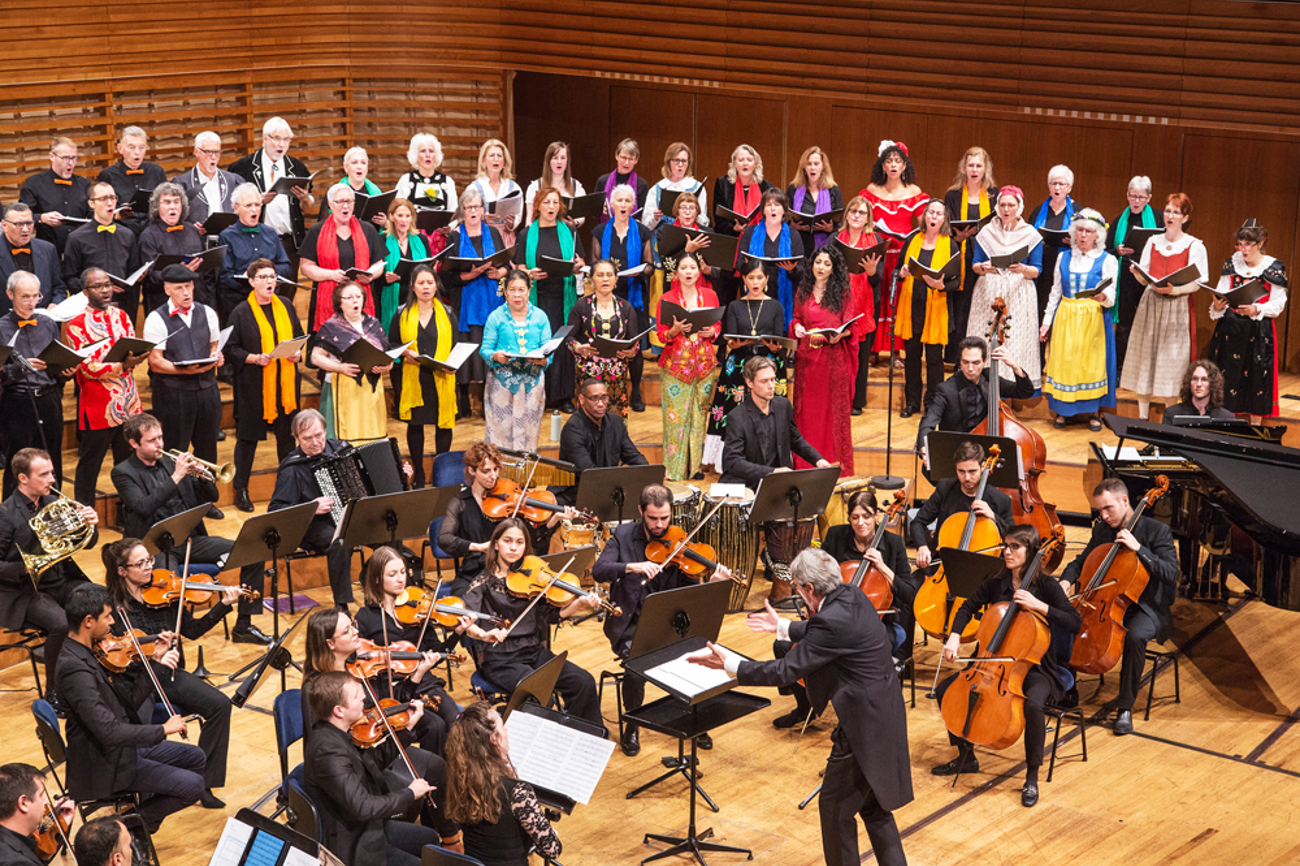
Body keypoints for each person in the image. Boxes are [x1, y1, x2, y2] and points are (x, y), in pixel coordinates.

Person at [688, 547, 912, 866]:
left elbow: (785, 670)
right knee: (875, 810)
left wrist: (732, 665)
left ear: (808, 588)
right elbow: (826, 629)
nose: (797, 592)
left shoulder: (831, 620)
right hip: (886, 715)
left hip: (862, 731)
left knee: (834, 812)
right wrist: (783, 626)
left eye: (796, 587)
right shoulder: (852, 593)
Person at [930, 524, 1081, 808]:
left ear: (1032, 551)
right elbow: (966, 608)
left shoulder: (1046, 586)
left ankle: (1031, 776)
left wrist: (1039, 605)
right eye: (1005, 546)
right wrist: (953, 637)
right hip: (990, 661)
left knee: (1033, 705)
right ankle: (966, 755)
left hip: (1035, 666)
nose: (1007, 552)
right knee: (945, 691)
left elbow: (1074, 622)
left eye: (1015, 547)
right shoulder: (995, 580)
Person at [593, 484, 732, 755]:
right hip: (632, 623)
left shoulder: (680, 540)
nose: (659, 526)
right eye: (653, 518)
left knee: (700, 656)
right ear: (641, 512)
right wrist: (631, 566)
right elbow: (600, 570)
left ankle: (696, 720)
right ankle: (633, 725)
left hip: (671, 620)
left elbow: (691, 590)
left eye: (665, 518)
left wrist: (710, 581)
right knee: (635, 669)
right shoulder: (622, 535)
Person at [55, 584, 205, 834]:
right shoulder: (75, 669)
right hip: (104, 764)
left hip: (120, 749)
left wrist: (155, 661)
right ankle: (117, 830)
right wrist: (162, 729)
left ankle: (140, 827)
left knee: (196, 757)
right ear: (88, 621)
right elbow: (109, 732)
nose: (113, 622)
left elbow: (130, 702)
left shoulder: (90, 651)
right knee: (193, 786)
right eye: (108, 616)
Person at [102, 538, 238, 807]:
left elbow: (193, 630)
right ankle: (146, 788)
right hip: (135, 681)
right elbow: (116, 655)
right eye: (140, 564)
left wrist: (223, 604)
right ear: (122, 570)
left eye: (149, 560)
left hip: (169, 674)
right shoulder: (112, 606)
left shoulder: (166, 593)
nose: (148, 568)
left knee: (220, 705)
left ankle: (205, 784)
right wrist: (154, 656)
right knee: (138, 730)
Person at [111, 412, 269, 643]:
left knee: (253, 551)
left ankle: (243, 625)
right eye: (152, 440)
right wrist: (176, 477)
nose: (160, 445)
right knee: (167, 585)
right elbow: (143, 506)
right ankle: (171, 639)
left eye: (160, 438)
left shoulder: (171, 461)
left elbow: (211, 498)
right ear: (134, 443)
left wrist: (204, 477)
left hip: (190, 540)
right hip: (154, 548)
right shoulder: (123, 472)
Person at [1060, 478, 1178, 735]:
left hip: (1147, 607)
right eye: (1099, 510)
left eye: (1108, 509)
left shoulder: (1156, 531)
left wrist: (1139, 549)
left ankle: (1125, 707)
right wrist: (1066, 580)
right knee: (1067, 620)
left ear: (1125, 502)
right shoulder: (1102, 530)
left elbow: (1171, 573)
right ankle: (1067, 689)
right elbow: (1082, 561)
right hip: (1108, 602)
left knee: (1135, 637)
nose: (1103, 516)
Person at [461, 518, 604, 729]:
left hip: (534, 653)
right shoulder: (482, 581)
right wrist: (483, 634)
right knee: (542, 696)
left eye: (519, 542)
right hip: (500, 660)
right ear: (496, 544)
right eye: (507, 541)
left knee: (583, 681)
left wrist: (580, 603)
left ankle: (586, 739)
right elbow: (467, 623)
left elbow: (556, 615)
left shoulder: (534, 577)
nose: (513, 547)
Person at [302, 671, 448, 866]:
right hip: (355, 843)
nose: (364, 697)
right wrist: (409, 793)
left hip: (369, 827)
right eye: (356, 695)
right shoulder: (327, 752)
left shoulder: (342, 731)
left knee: (429, 838)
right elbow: (364, 808)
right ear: (339, 710)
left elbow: (372, 764)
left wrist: (407, 729)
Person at [720, 356, 830, 597]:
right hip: (748, 483)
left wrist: (818, 459)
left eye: (773, 380)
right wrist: (771, 472)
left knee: (803, 504)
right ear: (749, 382)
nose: (771, 385)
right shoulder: (737, 416)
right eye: (764, 381)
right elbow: (732, 461)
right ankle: (762, 559)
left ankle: (782, 569)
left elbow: (796, 439)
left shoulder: (782, 405)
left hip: (777, 483)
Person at [0, 448, 97, 699]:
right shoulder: (5, 514)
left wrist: (90, 525)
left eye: (52, 472)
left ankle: (95, 673)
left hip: (61, 580)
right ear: (23, 478)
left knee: (103, 600)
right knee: (61, 623)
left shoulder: (54, 504)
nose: (52, 479)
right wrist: (24, 568)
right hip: (26, 591)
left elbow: (86, 542)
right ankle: (54, 690)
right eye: (44, 474)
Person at [352, 547, 460, 751]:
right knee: (434, 726)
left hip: (425, 684)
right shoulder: (366, 617)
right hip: (394, 690)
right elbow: (362, 662)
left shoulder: (418, 611)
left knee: (455, 720)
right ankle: (431, 776)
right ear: (376, 579)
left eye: (403, 572)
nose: (400, 579)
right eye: (392, 574)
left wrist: (458, 633)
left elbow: (437, 650)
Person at [808, 491, 912, 687]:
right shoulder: (836, 536)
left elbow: (909, 594)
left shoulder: (893, 544)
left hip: (878, 626)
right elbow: (820, 578)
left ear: (876, 516)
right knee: (799, 651)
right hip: (837, 621)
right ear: (848, 518)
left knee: (855, 660)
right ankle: (806, 707)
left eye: (866, 517)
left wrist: (883, 567)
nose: (860, 523)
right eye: (854, 517)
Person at [225, 257, 304, 511]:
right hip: (253, 386)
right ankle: (242, 490)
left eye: (272, 277)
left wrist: (297, 353)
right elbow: (231, 348)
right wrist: (253, 358)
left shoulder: (287, 305)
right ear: (251, 282)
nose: (270, 281)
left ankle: (289, 488)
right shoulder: (240, 312)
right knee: (247, 440)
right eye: (263, 278)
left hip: (286, 386)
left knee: (286, 439)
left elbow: (299, 336)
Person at [1120, 192, 1207, 420]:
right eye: (1168, 210)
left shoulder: (1194, 245)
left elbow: (1198, 283)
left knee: (1172, 361)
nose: (1170, 215)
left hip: (1176, 306)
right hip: (1151, 303)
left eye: (1176, 212)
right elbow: (1145, 277)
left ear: (1185, 217)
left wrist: (1175, 289)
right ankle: (1142, 417)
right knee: (1145, 357)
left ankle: (1170, 418)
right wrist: (1138, 274)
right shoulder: (1153, 241)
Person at [65, 268, 146, 508]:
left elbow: (132, 348)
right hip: (99, 406)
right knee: (90, 464)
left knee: (129, 463)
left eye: (108, 284)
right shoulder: (76, 326)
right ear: (85, 292)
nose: (105, 290)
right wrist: (123, 365)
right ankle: (84, 515)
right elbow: (87, 368)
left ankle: (129, 511)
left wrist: (136, 358)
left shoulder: (123, 316)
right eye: (98, 286)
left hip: (129, 402)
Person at [446, 701, 562, 866]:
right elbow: (552, 850)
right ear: (494, 738)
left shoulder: (459, 778)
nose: (506, 730)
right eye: (502, 726)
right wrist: (549, 834)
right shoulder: (517, 792)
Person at [703, 257, 791, 472]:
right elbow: (730, 339)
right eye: (751, 277)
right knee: (735, 408)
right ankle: (732, 461)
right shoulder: (735, 305)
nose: (755, 282)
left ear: (767, 279)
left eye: (760, 277)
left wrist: (775, 347)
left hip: (768, 362)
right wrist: (734, 343)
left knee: (771, 410)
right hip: (740, 364)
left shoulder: (775, 305)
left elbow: (778, 338)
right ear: (743, 279)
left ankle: (770, 461)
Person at [142, 263, 224, 486]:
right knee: (174, 450)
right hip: (174, 394)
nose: (186, 292)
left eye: (189, 286)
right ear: (167, 289)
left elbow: (214, 345)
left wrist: (217, 356)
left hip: (207, 390)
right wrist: (183, 370)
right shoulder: (156, 318)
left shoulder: (207, 313)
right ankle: (176, 500)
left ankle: (206, 498)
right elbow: (156, 361)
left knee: (207, 447)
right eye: (179, 288)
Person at [268, 408, 358, 609]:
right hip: (313, 526)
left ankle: (379, 584)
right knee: (340, 540)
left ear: (326, 431)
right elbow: (275, 510)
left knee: (389, 529)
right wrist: (311, 508)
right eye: (307, 438)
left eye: (318, 435)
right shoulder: (291, 469)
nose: (315, 442)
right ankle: (342, 607)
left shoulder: (341, 450)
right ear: (297, 438)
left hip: (349, 516)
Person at [1040, 209, 1119, 430]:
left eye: (1089, 231)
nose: (1083, 235)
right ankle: (1063, 411)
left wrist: (1102, 296)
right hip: (1066, 316)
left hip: (1093, 320)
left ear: (1097, 235)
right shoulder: (1063, 257)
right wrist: (1046, 322)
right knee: (1065, 362)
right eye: (1080, 230)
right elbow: (1055, 292)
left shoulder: (1107, 260)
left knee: (1090, 364)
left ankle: (1093, 411)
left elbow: (1111, 296)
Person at [0, 272, 76, 498]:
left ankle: (54, 512)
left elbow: (54, 362)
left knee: (52, 459)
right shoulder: (1, 327)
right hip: (18, 401)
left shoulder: (48, 323)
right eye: (25, 296)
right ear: (10, 294)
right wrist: (18, 369)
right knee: (18, 461)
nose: (32, 302)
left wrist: (66, 371)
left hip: (49, 398)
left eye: (36, 296)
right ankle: (12, 522)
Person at [1206, 219, 1288, 420]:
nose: (1243, 250)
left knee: (1257, 378)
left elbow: (1279, 304)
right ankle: (1223, 424)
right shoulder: (1231, 263)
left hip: (1258, 331)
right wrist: (1217, 306)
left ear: (1260, 243)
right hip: (1230, 329)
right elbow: (1222, 293)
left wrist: (1256, 308)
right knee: (1227, 375)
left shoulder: (1273, 267)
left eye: (1248, 245)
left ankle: (1255, 429)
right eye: (1240, 244)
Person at [389, 264, 459, 489]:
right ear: (413, 286)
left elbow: (457, 346)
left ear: (436, 284)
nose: (426, 287)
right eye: (421, 283)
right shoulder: (401, 313)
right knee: (415, 425)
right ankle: (418, 473)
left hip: (442, 378)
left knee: (443, 427)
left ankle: (442, 472)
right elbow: (391, 343)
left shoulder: (448, 313)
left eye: (430, 282)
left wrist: (453, 365)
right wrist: (404, 351)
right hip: (414, 378)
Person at [968, 185, 1044, 390]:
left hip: (1019, 292)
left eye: (1011, 205)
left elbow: (1037, 270)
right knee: (985, 336)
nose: (1006, 209)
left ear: (1019, 207)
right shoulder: (987, 231)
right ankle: (982, 387)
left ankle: (1011, 390)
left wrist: (1022, 268)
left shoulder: (1030, 234)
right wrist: (983, 267)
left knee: (1015, 340)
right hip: (989, 291)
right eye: (1002, 205)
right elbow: (975, 264)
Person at [228, 116, 316, 288]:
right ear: (264, 138)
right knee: (255, 288)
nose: (281, 145)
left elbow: (307, 208)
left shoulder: (296, 167)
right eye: (277, 139)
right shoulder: (243, 167)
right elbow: (232, 207)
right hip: (254, 240)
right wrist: (258, 201)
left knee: (287, 291)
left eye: (286, 139)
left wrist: (305, 198)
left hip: (288, 242)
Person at [791, 245, 856, 475]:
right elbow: (797, 318)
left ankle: (835, 467)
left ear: (833, 268)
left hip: (832, 360)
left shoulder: (843, 293)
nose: (821, 267)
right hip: (808, 361)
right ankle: (804, 466)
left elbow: (852, 326)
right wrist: (797, 327)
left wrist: (842, 334)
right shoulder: (803, 290)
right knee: (807, 415)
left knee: (831, 417)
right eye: (818, 262)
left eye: (827, 264)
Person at [914, 335, 1033, 462]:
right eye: (966, 362)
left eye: (975, 363)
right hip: (957, 453)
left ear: (984, 361)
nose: (970, 369)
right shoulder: (946, 389)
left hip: (987, 450)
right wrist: (924, 447)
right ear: (960, 362)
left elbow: (1025, 392)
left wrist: (1015, 366)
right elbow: (929, 420)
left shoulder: (990, 379)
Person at [656, 253, 721, 480]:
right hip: (676, 367)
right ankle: (674, 470)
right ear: (676, 273)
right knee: (675, 418)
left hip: (703, 365)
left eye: (692, 267)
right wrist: (674, 331)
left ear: (699, 271)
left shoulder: (711, 295)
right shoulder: (667, 298)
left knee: (699, 416)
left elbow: (718, 324)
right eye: (684, 268)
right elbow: (662, 335)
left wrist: (713, 332)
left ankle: (695, 468)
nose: (689, 272)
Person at [862, 140, 927, 362]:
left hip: (901, 256)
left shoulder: (914, 191)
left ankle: (895, 351)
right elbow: (863, 219)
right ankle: (871, 348)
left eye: (897, 161)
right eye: (888, 161)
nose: (892, 165)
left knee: (898, 302)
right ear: (882, 165)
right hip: (878, 255)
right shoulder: (871, 190)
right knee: (876, 300)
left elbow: (923, 225)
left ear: (904, 166)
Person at [520, 187, 585, 412]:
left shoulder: (569, 231)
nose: (551, 207)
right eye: (547, 202)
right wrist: (529, 274)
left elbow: (580, 261)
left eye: (555, 203)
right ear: (538, 206)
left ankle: (563, 397)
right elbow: (519, 268)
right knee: (541, 346)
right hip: (538, 299)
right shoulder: (527, 233)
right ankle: (540, 395)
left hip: (563, 299)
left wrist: (577, 266)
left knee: (562, 347)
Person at [444, 187, 507, 417]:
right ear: (462, 210)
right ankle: (463, 401)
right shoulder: (455, 235)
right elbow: (446, 275)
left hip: (492, 298)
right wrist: (467, 276)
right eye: (468, 207)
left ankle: (489, 400)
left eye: (477, 206)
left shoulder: (493, 233)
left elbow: (507, 264)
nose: (472, 210)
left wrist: (499, 272)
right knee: (467, 350)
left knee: (489, 349)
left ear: (483, 210)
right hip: (466, 300)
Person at [910, 439, 1016, 575]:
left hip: (982, 571)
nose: (966, 477)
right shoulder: (945, 488)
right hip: (943, 565)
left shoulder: (1000, 500)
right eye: (961, 471)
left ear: (983, 467)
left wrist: (994, 517)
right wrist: (922, 546)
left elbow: (1015, 538)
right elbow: (918, 522)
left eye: (972, 471)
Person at [895, 199, 960, 417]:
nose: (933, 217)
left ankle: (934, 404)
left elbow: (957, 280)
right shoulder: (913, 239)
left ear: (944, 219)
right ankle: (912, 402)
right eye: (930, 213)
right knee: (912, 357)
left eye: (938, 214)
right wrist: (902, 273)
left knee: (934, 360)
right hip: (912, 307)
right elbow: (897, 271)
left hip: (936, 309)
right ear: (924, 217)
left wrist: (942, 285)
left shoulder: (950, 244)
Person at [589, 184, 651, 411]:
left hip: (633, 296)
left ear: (632, 205)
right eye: (619, 201)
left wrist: (641, 270)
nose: (623, 205)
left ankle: (635, 392)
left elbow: (650, 266)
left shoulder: (643, 231)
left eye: (627, 201)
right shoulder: (599, 231)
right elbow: (594, 263)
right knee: (609, 344)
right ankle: (606, 390)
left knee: (633, 346)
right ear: (611, 204)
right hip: (607, 295)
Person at [311, 280, 392, 444]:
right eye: (349, 297)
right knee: (341, 442)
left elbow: (388, 358)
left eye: (358, 296)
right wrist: (340, 367)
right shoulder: (331, 327)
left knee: (372, 440)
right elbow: (316, 357)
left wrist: (385, 366)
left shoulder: (374, 324)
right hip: (341, 390)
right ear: (339, 302)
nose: (355, 300)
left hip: (371, 391)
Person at [481, 270, 551, 450]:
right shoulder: (496, 316)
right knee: (500, 432)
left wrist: (543, 360)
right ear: (505, 291)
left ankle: (524, 475)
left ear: (529, 290)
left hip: (532, 382)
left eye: (521, 290)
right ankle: (500, 475)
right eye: (512, 290)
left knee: (530, 432)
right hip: (503, 382)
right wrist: (495, 356)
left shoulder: (540, 317)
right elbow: (485, 349)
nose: (517, 295)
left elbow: (548, 350)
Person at [301, 184, 385, 331]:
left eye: (349, 202)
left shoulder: (367, 229)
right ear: (330, 205)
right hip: (328, 297)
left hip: (361, 297)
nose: (345, 206)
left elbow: (379, 263)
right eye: (340, 202)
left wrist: (370, 275)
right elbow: (305, 267)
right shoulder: (316, 230)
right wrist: (330, 274)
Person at [943, 147, 999, 361]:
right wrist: (958, 236)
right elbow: (945, 228)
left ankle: (981, 356)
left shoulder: (994, 194)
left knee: (982, 305)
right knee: (959, 307)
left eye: (978, 166)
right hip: (959, 256)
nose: (974, 170)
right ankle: (955, 357)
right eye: (971, 165)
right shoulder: (953, 195)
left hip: (985, 258)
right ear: (964, 168)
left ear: (985, 169)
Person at [566, 259, 640, 417]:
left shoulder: (626, 307)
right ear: (591, 280)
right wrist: (578, 347)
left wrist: (631, 352)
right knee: (589, 419)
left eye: (609, 275)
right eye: (600, 275)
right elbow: (569, 336)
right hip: (589, 372)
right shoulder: (581, 306)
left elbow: (635, 340)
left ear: (616, 279)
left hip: (617, 373)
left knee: (615, 419)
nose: (605, 279)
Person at [557, 378, 647, 506]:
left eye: (604, 398)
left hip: (608, 489)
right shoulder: (572, 429)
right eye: (594, 398)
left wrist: (649, 474)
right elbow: (589, 473)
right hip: (576, 494)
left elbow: (633, 456)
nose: (600, 404)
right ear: (581, 400)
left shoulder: (615, 422)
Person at [62, 181, 143, 319]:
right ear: (91, 204)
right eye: (103, 199)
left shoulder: (127, 234)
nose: (110, 203)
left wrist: (139, 276)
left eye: (112, 198)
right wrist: (96, 288)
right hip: (90, 309)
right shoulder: (77, 238)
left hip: (123, 306)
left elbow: (132, 271)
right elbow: (70, 278)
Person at [216, 182, 294, 324]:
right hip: (241, 303)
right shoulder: (226, 236)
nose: (254, 210)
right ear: (236, 208)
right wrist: (253, 282)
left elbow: (286, 267)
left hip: (270, 300)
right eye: (248, 205)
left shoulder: (270, 233)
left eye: (257, 205)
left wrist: (266, 276)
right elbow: (225, 276)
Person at [1108, 175, 1163, 373]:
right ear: (1127, 195)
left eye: (1141, 197)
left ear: (1149, 198)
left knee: (1148, 325)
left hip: (1148, 278)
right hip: (1125, 278)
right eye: (1133, 196)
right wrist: (1118, 251)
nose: (1136, 201)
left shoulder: (1158, 218)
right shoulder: (1119, 221)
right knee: (1123, 326)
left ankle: (1144, 370)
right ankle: (1121, 369)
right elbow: (1106, 252)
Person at [437, 442, 506, 596]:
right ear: (472, 470)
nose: (493, 476)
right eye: (486, 471)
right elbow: (444, 539)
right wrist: (478, 547)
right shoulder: (459, 503)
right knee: (464, 609)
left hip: (503, 571)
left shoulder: (505, 500)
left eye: (495, 470)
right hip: (472, 572)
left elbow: (528, 535)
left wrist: (553, 520)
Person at [712, 143, 774, 308]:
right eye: (741, 160)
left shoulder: (767, 188)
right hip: (729, 251)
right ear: (734, 164)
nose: (745, 163)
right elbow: (717, 220)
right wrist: (734, 228)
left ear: (755, 163)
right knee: (725, 301)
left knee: (756, 303)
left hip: (757, 250)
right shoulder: (723, 184)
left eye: (749, 160)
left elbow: (774, 219)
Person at [836, 196, 882, 414]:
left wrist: (872, 271)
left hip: (864, 307)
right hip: (838, 304)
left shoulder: (875, 240)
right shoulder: (835, 239)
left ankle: (856, 401)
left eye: (862, 212)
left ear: (867, 218)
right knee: (838, 356)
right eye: (853, 211)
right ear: (846, 215)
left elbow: (878, 279)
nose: (856, 215)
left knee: (861, 358)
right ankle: (838, 398)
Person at [137, 182, 209, 313]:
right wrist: (181, 273)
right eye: (167, 202)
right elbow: (151, 276)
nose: (172, 207)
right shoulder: (148, 235)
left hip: (196, 301)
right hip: (163, 305)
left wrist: (210, 304)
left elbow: (205, 270)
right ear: (156, 207)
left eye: (176, 202)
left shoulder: (192, 230)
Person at [737, 188, 804, 327]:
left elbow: (803, 269)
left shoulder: (794, 235)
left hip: (785, 293)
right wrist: (749, 267)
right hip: (757, 291)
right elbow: (739, 263)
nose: (773, 208)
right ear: (763, 210)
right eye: (768, 205)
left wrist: (792, 269)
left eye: (777, 205)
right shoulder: (749, 232)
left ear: (784, 210)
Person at [19, 136, 92, 256]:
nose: (71, 163)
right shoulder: (34, 184)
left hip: (79, 250)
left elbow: (92, 215)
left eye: (74, 158)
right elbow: (21, 216)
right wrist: (42, 218)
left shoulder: (84, 184)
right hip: (47, 250)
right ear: (51, 156)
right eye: (65, 158)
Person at [1027, 165, 1076, 322]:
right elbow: (1026, 236)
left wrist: (1074, 242)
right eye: (1053, 183)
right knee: (1040, 310)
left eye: (1061, 184)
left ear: (1069, 188)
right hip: (1041, 268)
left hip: (1064, 267)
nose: (1057, 188)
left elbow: (1087, 242)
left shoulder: (1077, 212)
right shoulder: (1038, 211)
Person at [0, 763, 75, 866]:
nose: (46, 802)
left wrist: (60, 826)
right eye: (41, 795)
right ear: (23, 803)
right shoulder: (16, 862)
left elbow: (36, 858)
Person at [97, 127, 166, 236]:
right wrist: (117, 214)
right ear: (120, 149)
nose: (137, 152)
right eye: (131, 147)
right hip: (122, 233)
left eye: (141, 147)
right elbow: (98, 210)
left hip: (153, 232)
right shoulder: (107, 175)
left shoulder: (156, 171)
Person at [0, 203, 65, 313]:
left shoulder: (48, 249)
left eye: (29, 223)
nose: (25, 229)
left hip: (43, 321)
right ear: (4, 225)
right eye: (19, 224)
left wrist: (54, 305)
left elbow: (59, 287)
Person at [379, 198, 431, 329]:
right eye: (400, 215)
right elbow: (375, 275)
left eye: (407, 216)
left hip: (417, 297)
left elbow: (428, 267)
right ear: (391, 217)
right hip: (393, 298)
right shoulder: (382, 240)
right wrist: (385, 279)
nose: (404, 220)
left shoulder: (422, 240)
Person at [173, 130, 242, 226]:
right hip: (197, 239)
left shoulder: (233, 180)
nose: (213, 157)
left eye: (217, 152)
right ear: (196, 152)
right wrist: (190, 229)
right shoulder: (182, 183)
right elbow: (172, 217)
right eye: (208, 152)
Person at [786, 145, 844, 252]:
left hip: (825, 248)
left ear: (823, 167)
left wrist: (831, 229)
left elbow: (842, 223)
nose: (813, 167)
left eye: (816, 164)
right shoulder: (793, 189)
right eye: (809, 164)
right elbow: (784, 217)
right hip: (798, 246)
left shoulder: (834, 190)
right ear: (804, 167)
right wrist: (791, 226)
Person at [467, 139, 522, 247]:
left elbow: (518, 215)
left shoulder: (513, 187)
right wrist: (482, 219)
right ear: (483, 161)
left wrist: (512, 224)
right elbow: (465, 216)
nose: (496, 159)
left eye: (499, 156)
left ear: (504, 161)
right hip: (481, 237)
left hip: (506, 238)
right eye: (491, 155)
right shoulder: (474, 188)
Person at [642, 141, 707, 230]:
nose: (680, 165)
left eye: (684, 161)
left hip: (690, 236)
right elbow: (645, 225)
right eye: (676, 160)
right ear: (669, 162)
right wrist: (655, 218)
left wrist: (693, 214)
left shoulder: (697, 187)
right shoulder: (657, 189)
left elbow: (704, 222)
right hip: (663, 237)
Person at [524, 141, 586, 226]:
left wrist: (575, 222)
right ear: (548, 161)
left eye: (563, 158)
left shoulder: (576, 185)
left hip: (566, 234)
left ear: (567, 161)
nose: (559, 162)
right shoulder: (535, 186)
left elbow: (582, 216)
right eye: (555, 158)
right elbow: (529, 218)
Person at [394, 133, 458, 213]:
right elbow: (397, 211)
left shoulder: (447, 182)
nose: (428, 155)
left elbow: (454, 212)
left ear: (436, 155)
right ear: (416, 155)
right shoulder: (406, 180)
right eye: (423, 151)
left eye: (431, 151)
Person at [323, 146, 386, 228]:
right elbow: (323, 225)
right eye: (354, 162)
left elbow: (387, 229)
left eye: (363, 163)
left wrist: (385, 223)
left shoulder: (376, 192)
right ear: (346, 167)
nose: (359, 166)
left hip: (371, 238)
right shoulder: (334, 193)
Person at [1161, 360, 1235, 424]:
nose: (1198, 384)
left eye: (1204, 379)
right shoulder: (1172, 414)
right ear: (1189, 382)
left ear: (1213, 383)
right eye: (1195, 379)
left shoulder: (1226, 418)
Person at [595, 138, 649, 219]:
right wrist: (599, 210)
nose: (626, 163)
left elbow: (643, 214)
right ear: (616, 156)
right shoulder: (602, 181)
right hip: (606, 228)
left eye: (631, 159)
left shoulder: (641, 185)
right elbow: (593, 212)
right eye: (623, 158)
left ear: (636, 160)